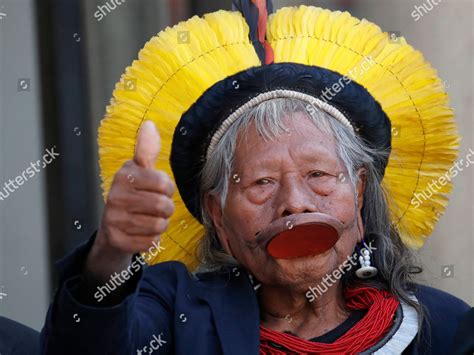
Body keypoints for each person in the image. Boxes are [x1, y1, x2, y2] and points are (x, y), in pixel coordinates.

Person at [40, 1, 470, 354]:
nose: (294, 202)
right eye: (261, 182)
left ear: (357, 192)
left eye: (318, 174)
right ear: (218, 216)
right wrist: (111, 254)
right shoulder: (173, 315)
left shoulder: (442, 329)